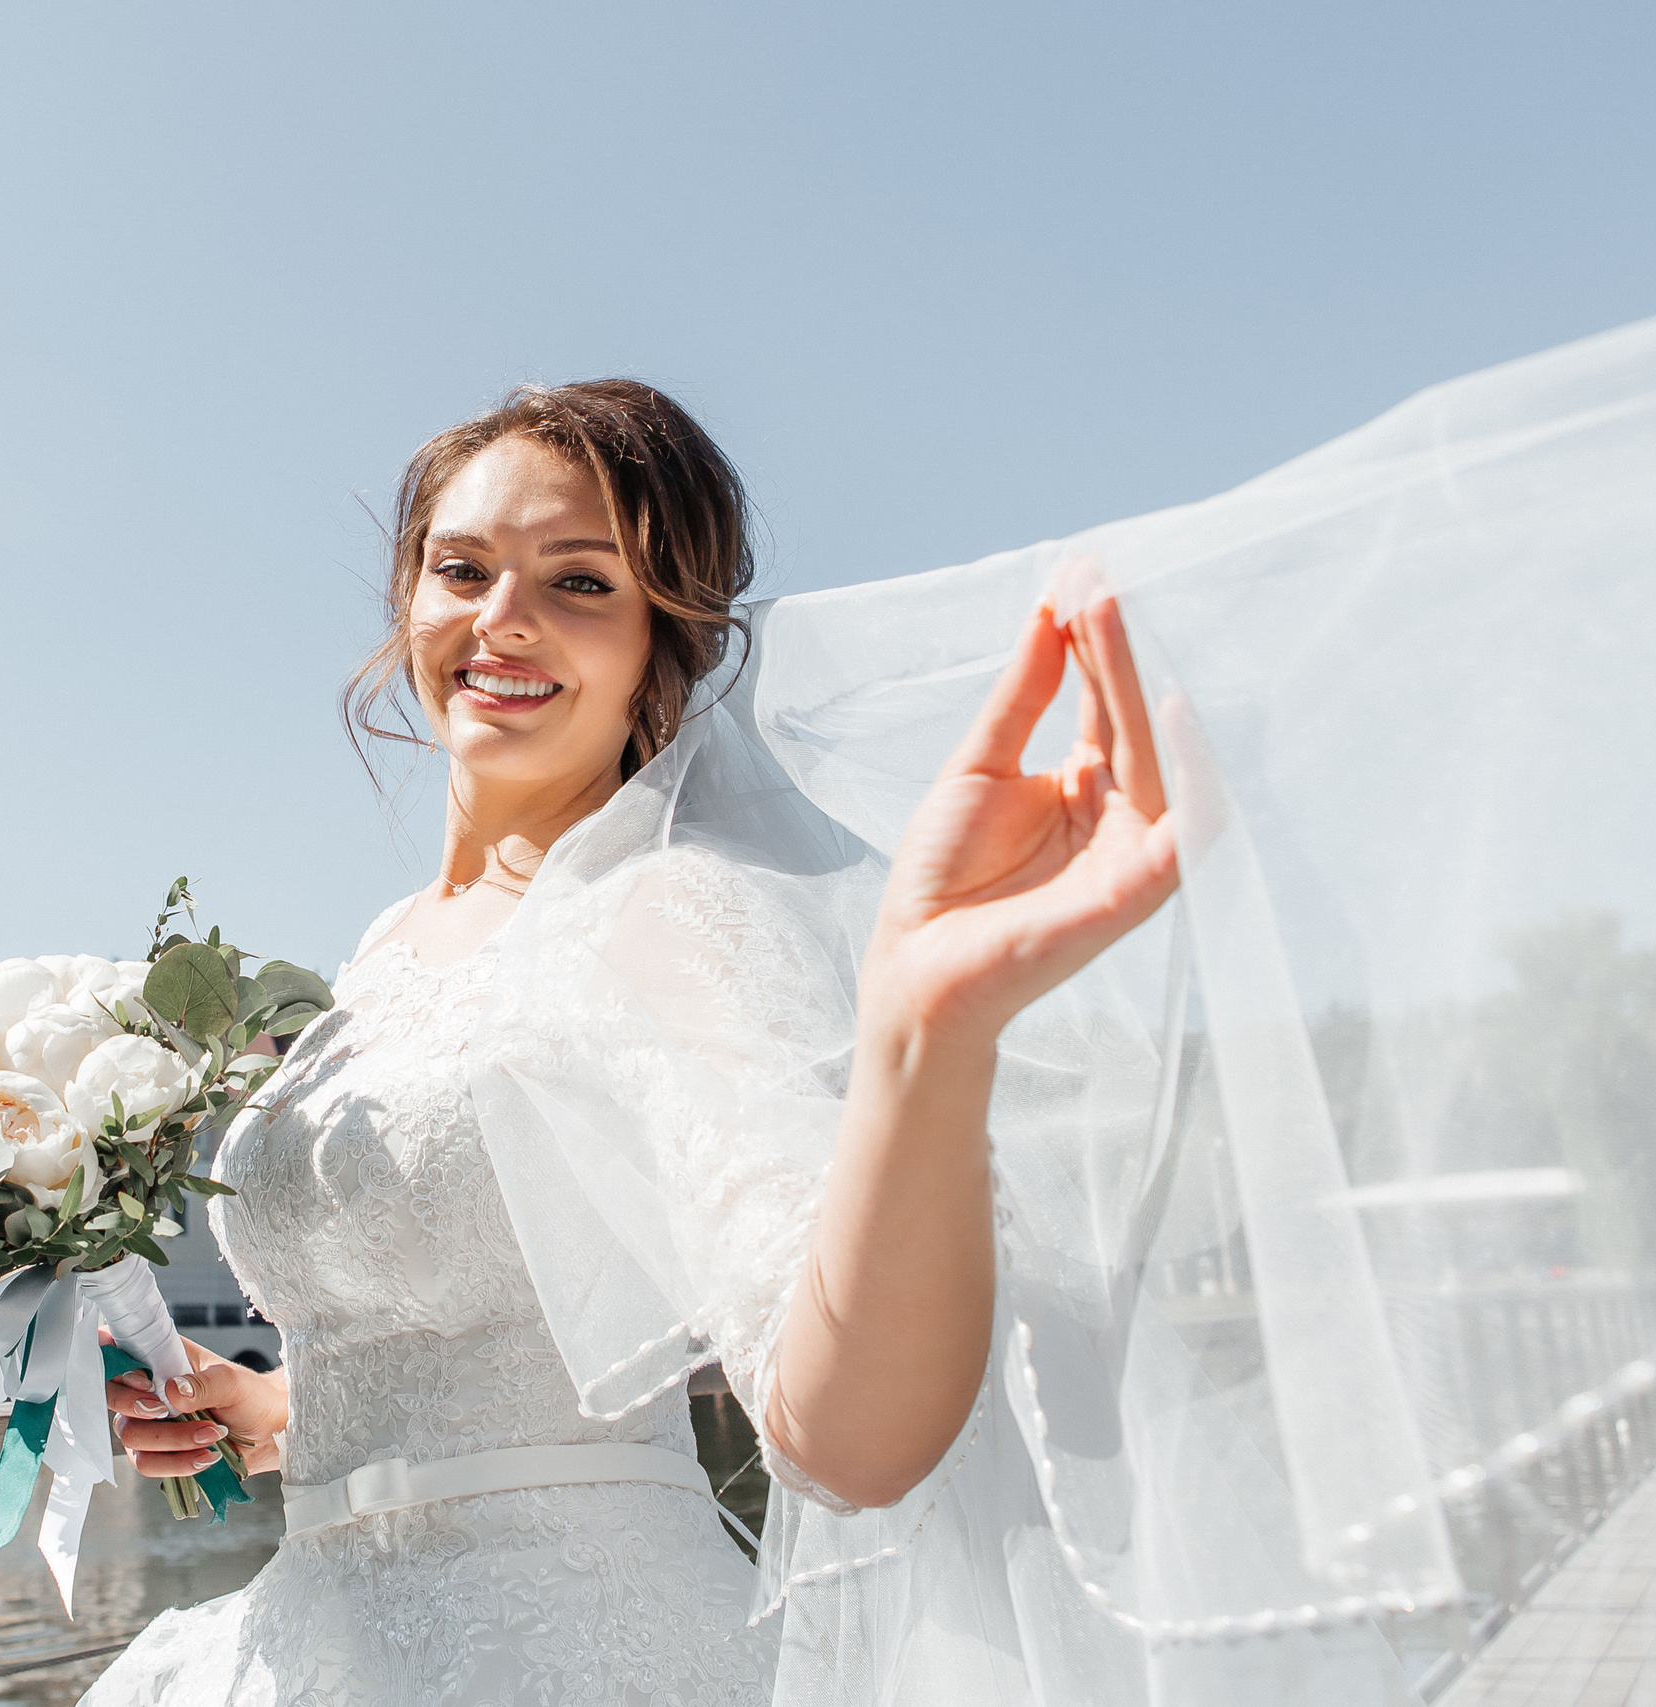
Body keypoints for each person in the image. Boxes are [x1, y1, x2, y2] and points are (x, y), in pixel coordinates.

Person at [78, 379, 1179, 1705]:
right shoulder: (385, 949)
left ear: (668, 640)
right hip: (312, 1634)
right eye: (463, 568)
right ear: (408, 601)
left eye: (581, 582)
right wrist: (262, 1409)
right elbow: (494, 1366)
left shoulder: (664, 913)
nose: (503, 619)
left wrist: (930, 1035)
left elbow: (845, 1433)